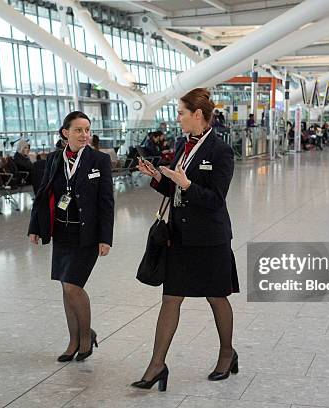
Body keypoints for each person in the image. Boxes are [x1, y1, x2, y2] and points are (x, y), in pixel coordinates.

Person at [134, 88, 239, 391]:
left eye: (181, 112)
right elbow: (174, 191)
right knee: (170, 298)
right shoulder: (184, 146)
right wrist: (156, 177)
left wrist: (187, 184)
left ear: (197, 115)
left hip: (210, 239)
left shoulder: (221, 151)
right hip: (179, 236)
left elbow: (215, 199)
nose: (177, 118)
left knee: (216, 296)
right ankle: (156, 366)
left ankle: (227, 353)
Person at [28, 111, 114, 363]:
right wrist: (35, 227)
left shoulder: (99, 160)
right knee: (65, 288)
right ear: (65, 133)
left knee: (73, 285)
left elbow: (106, 201)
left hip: (86, 233)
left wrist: (105, 237)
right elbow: (42, 195)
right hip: (62, 233)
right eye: (78, 130)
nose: (85, 135)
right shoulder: (54, 159)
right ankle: (73, 339)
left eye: (87, 130)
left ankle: (85, 337)